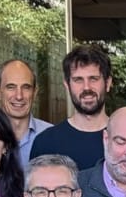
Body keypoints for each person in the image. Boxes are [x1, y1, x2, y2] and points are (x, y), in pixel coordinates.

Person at [31, 44, 113, 172]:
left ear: (107, 83)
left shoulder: (125, 142)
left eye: (94, 79)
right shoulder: (46, 142)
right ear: (67, 85)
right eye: (78, 80)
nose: (87, 87)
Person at [0, 58, 52, 167]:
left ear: (35, 92)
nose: (19, 96)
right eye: (11, 87)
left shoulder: (52, 136)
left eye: (26, 87)